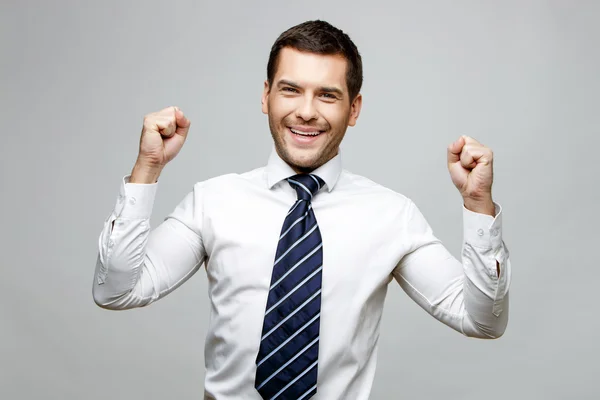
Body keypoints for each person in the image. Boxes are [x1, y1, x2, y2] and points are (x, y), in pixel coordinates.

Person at [93, 19, 511, 400]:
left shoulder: (391, 215)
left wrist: (477, 205)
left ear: (354, 109)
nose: (306, 111)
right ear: (266, 96)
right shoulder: (213, 202)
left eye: (327, 95)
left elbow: (482, 321)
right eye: (290, 89)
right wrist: (146, 169)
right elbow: (116, 291)